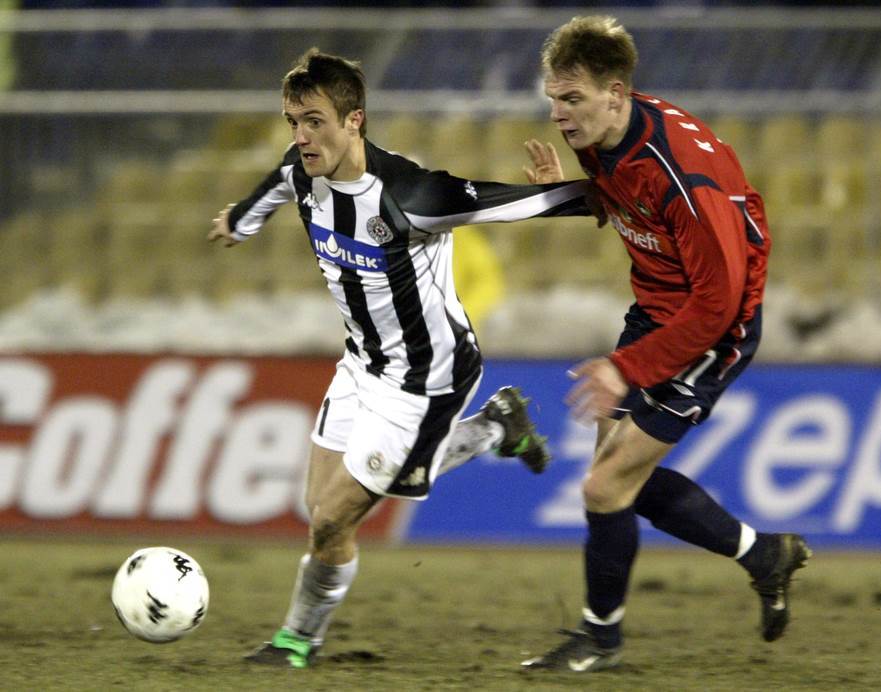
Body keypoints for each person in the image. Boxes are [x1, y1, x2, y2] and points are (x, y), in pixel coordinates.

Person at [207, 48, 589, 669]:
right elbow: (275, 185)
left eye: (314, 122)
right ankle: (498, 425)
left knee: (336, 518)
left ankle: (296, 642)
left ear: (354, 120)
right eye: (292, 122)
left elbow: (513, 203)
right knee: (320, 510)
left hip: (427, 377)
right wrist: (240, 223)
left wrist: (563, 194)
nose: (301, 138)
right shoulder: (303, 170)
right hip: (363, 362)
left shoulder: (412, 195)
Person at [519, 16, 811, 673]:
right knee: (617, 480)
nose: (560, 117)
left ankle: (601, 641)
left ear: (616, 93)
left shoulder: (686, 174)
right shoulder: (604, 138)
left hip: (715, 329)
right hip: (658, 310)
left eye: (573, 100)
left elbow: (718, 304)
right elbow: (624, 204)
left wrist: (627, 368)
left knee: (604, 484)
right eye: (553, 100)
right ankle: (764, 555)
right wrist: (565, 197)